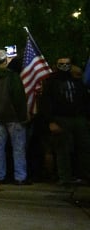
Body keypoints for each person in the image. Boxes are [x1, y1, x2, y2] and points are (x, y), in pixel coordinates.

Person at [39, 56, 90, 185]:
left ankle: (84, 175)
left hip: (78, 118)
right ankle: (65, 177)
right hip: (61, 118)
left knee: (83, 148)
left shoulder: (77, 81)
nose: (65, 66)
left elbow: (84, 99)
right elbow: (46, 103)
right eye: (62, 64)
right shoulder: (51, 82)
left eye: (67, 64)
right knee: (63, 150)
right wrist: (50, 121)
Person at [0, 49, 29, 184]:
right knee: (18, 148)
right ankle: (20, 177)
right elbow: (19, 98)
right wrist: (23, 116)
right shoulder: (13, 77)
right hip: (13, 117)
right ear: (6, 61)